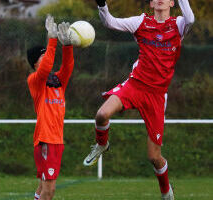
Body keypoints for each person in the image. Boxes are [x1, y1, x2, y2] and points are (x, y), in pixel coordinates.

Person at [83, 0, 194, 199]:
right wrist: (102, 5)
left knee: (154, 157)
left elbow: (191, 18)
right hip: (135, 85)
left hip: (157, 95)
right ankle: (101, 144)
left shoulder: (178, 25)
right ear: (151, 3)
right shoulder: (141, 22)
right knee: (101, 114)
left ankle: (166, 191)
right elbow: (109, 22)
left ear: (172, 2)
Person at [27, 15, 74, 200]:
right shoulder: (35, 80)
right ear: (34, 63)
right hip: (46, 139)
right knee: (50, 190)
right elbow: (46, 66)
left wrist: (68, 46)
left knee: (43, 187)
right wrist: (52, 40)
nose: (47, 57)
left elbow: (68, 67)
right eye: (42, 55)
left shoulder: (57, 80)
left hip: (56, 140)